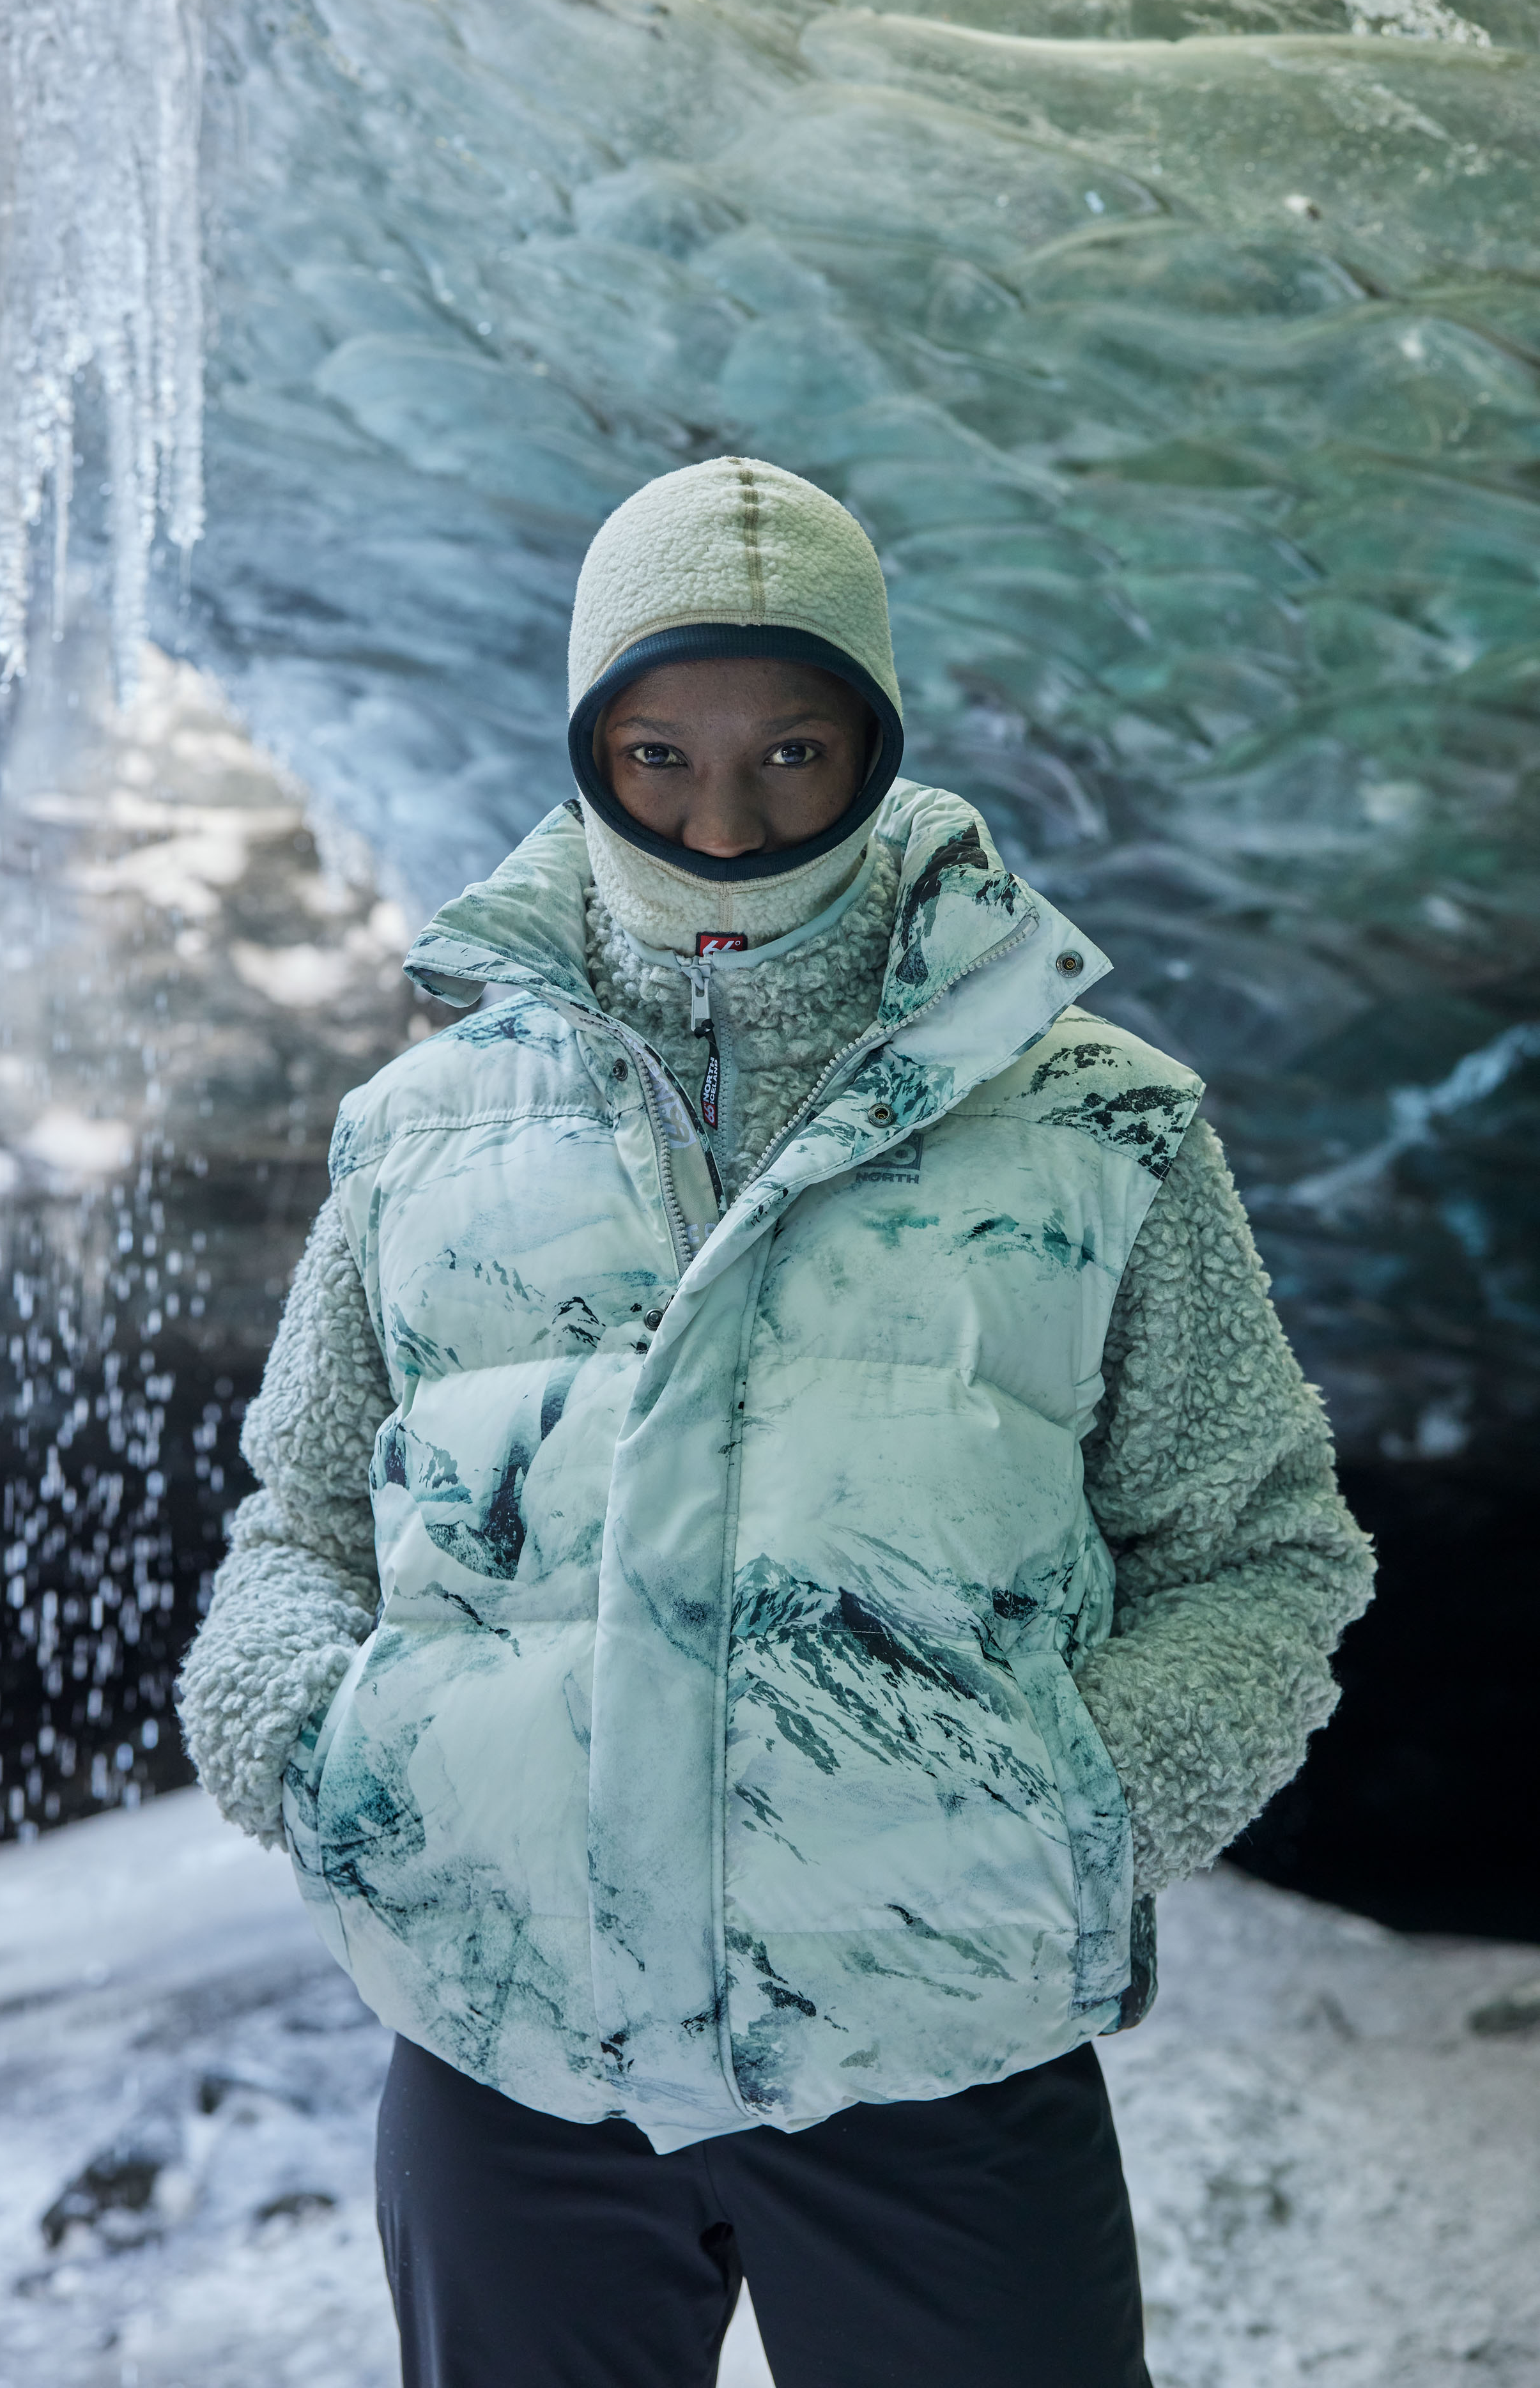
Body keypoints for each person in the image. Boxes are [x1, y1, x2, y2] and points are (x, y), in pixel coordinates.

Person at [180, 456, 1373, 2388]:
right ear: (585, 743)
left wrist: (1065, 1817)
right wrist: (319, 1753)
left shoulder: (1097, 1123)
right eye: (655, 751)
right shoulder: (423, 1132)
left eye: (792, 750)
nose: (719, 816)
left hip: (940, 2043)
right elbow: (302, 1515)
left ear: (875, 747)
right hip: (505, 2039)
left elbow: (1258, 1546)